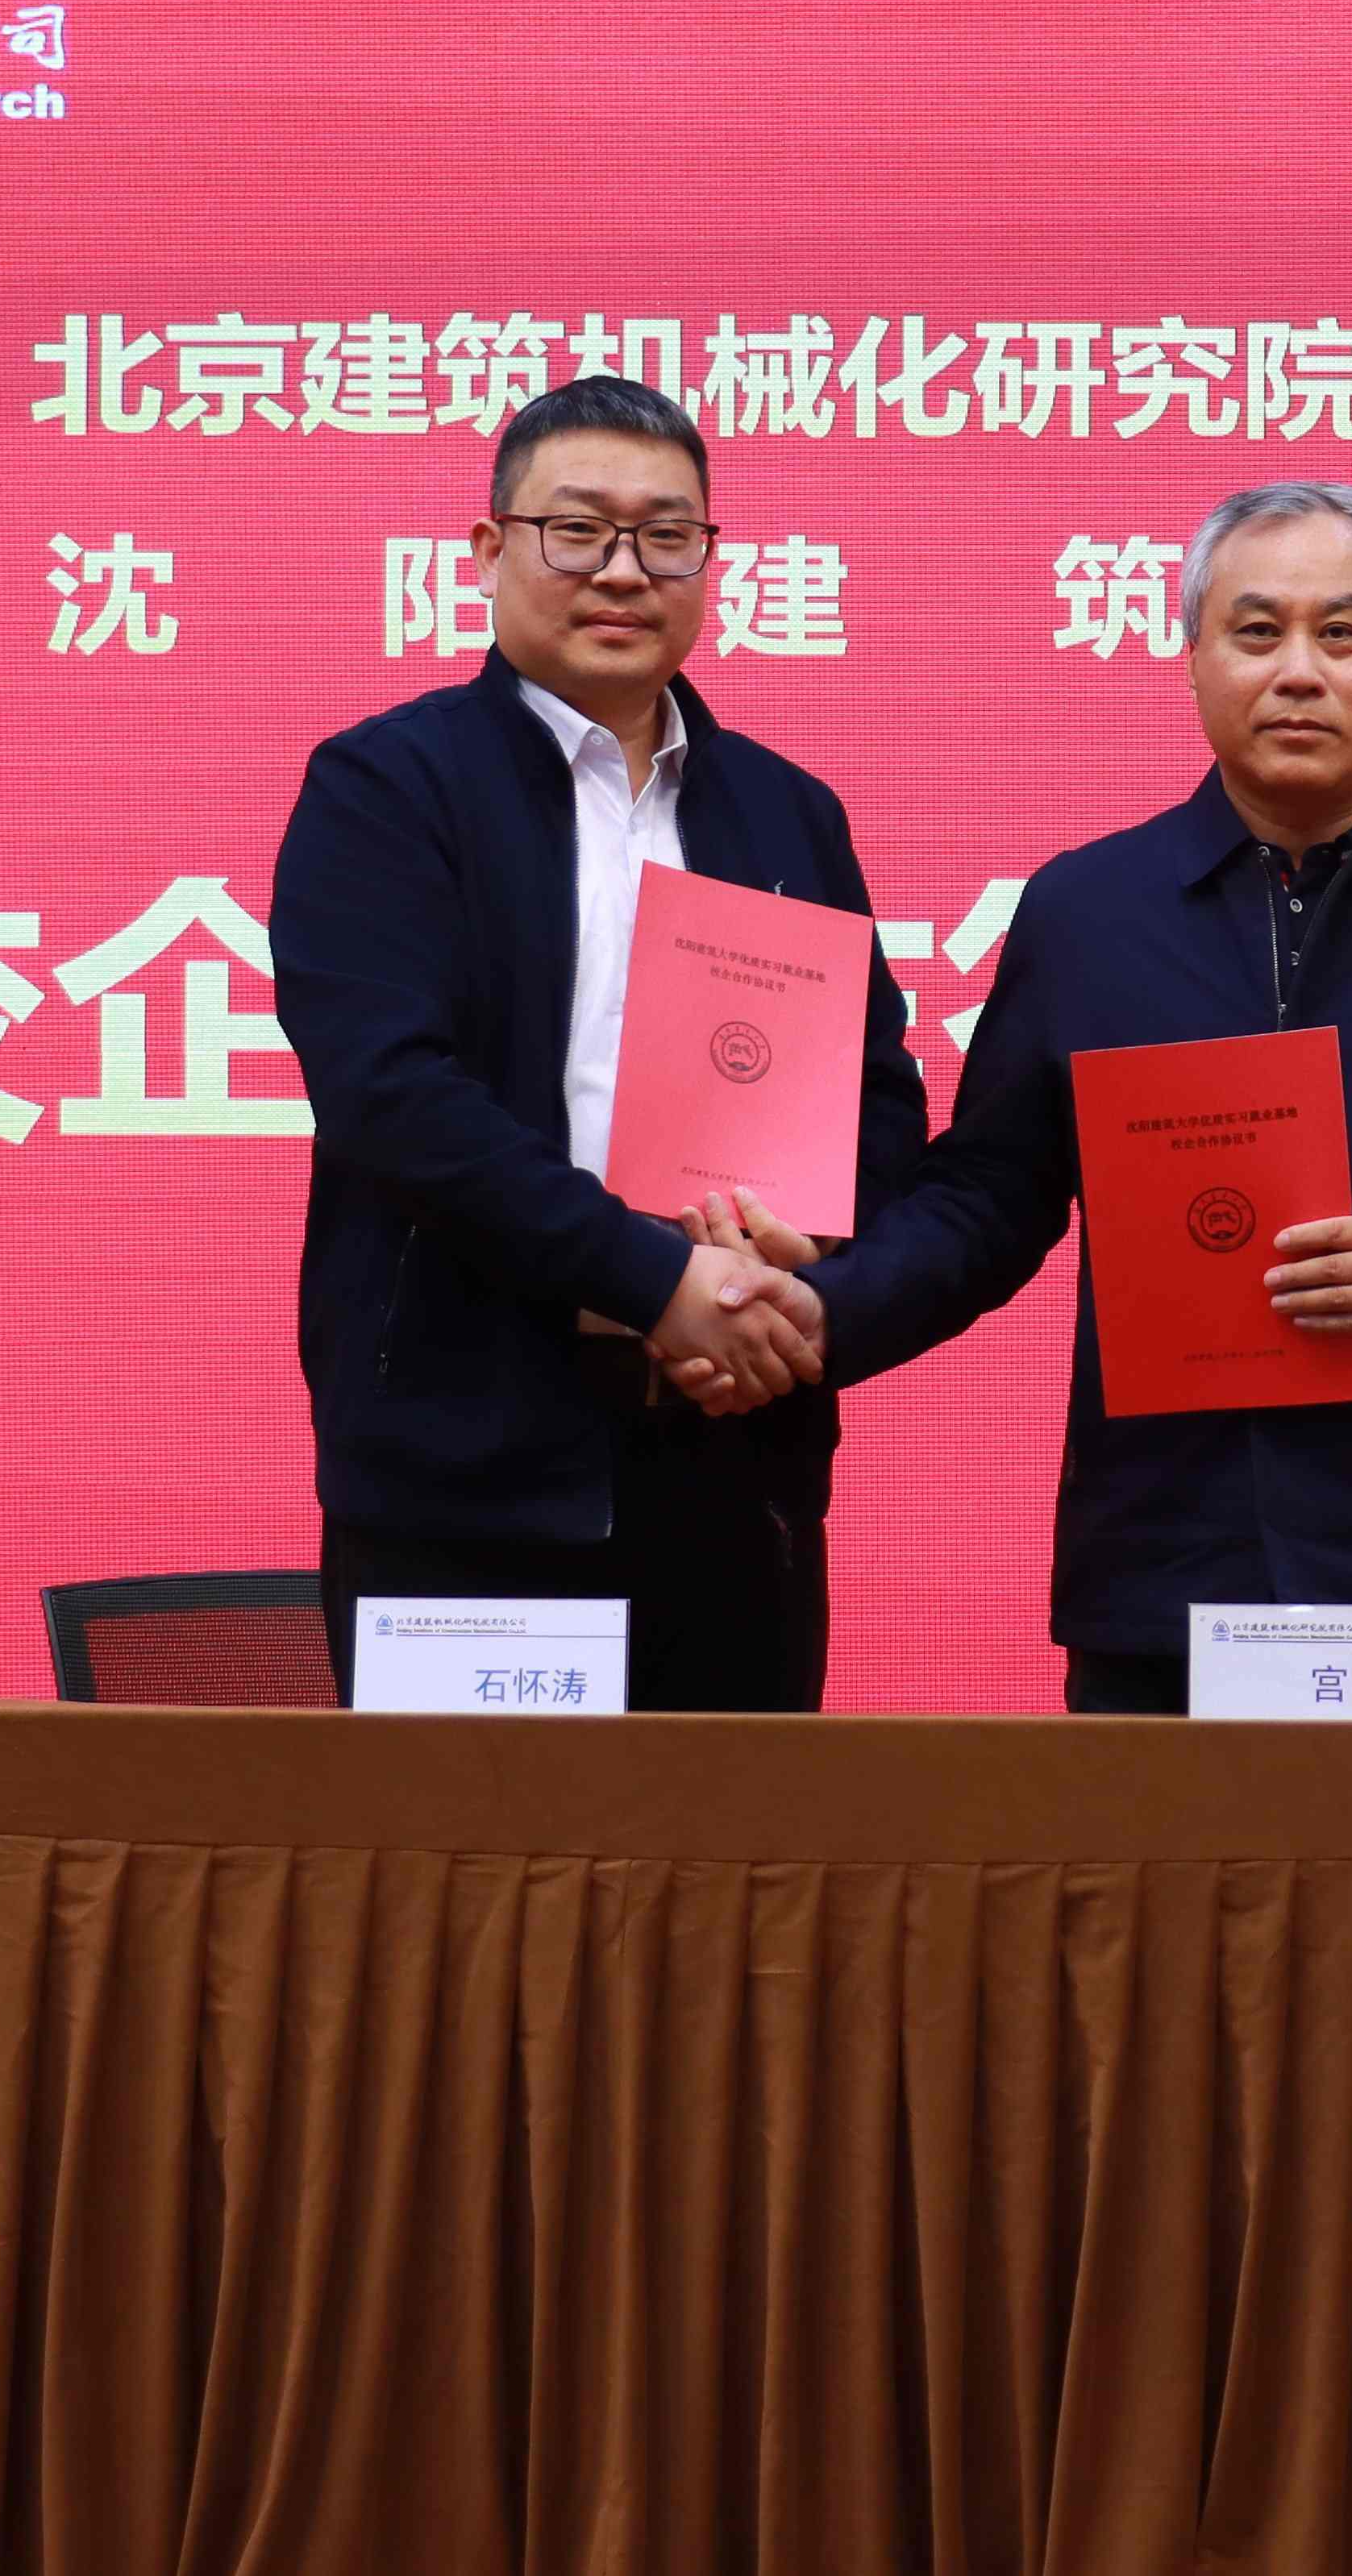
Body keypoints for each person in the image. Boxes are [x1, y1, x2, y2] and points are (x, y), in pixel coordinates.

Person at [743, 476, 1352, 1713]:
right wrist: (817, 1316)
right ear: (1192, 661)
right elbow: (987, 1198)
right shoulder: (1090, 911)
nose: (1299, 671)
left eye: (1341, 633)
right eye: (1256, 631)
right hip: (1162, 1581)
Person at [268, 376, 928, 1710]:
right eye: (578, 529)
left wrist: (791, 1267)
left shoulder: (786, 815)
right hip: (465, 1470)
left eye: (667, 535)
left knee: (729, 1845)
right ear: (489, 550)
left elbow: (876, 1105)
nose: (624, 570)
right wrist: (653, 1276)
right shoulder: (388, 787)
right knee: (465, 1847)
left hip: (733, 1449)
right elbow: (396, 1100)